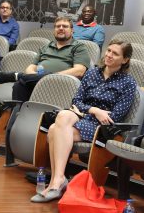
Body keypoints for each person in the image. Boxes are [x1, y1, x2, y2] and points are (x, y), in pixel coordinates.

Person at [30, 40, 137, 202]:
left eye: (115, 53)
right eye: (108, 50)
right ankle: (58, 180)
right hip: (83, 115)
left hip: (102, 127)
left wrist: (89, 112)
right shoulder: (92, 73)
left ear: (125, 60)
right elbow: (77, 100)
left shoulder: (128, 83)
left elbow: (114, 116)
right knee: (63, 116)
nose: (108, 55)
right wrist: (94, 110)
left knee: (53, 129)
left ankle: (55, 182)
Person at [0, 17, 91, 102]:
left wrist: (52, 76)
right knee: (19, 85)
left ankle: (17, 75)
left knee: (22, 80)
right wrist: (37, 76)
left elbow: (79, 71)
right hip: (39, 82)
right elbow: (30, 68)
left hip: (63, 84)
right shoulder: (46, 47)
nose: (61, 28)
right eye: (58, 26)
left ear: (72, 30)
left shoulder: (79, 47)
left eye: (65, 26)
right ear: (54, 30)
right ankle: (18, 115)